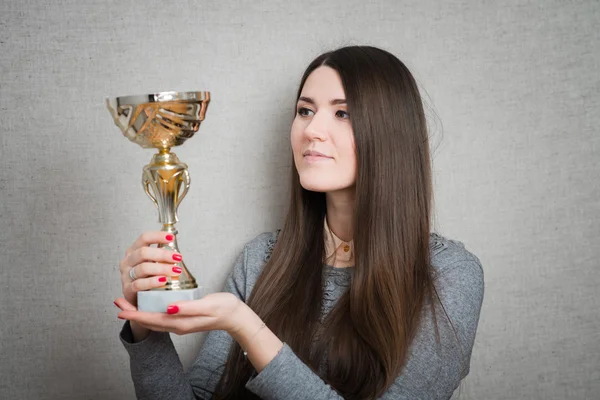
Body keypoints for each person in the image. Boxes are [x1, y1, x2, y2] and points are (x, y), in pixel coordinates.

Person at [114, 45, 485, 400]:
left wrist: (247, 328)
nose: (311, 130)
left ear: (390, 135)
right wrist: (146, 329)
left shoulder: (449, 274)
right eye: (305, 110)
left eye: (343, 113)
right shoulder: (260, 259)